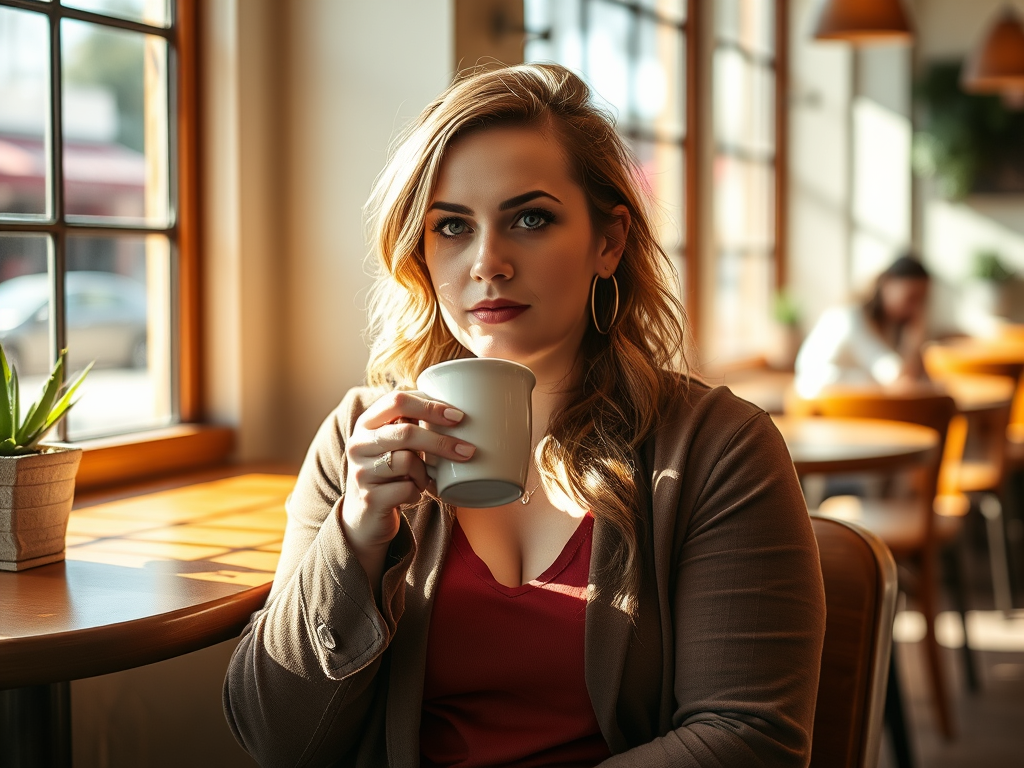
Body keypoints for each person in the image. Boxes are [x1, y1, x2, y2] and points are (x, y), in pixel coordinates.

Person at [223, 63, 825, 768]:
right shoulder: (362, 440)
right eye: (451, 227)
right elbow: (275, 739)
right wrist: (355, 537)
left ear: (610, 242)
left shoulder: (719, 447)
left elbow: (749, 740)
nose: (488, 263)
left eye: (530, 218)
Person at [794, 254, 932, 397]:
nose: (916, 309)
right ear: (887, 284)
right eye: (911, 297)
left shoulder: (889, 325)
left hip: (846, 402)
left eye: (922, 300)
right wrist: (914, 337)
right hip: (820, 404)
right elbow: (898, 377)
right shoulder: (850, 317)